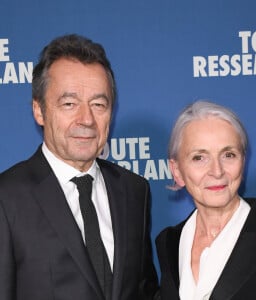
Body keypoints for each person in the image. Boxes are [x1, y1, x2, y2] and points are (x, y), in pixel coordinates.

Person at [0, 34, 159, 300]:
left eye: (98, 104)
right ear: (39, 111)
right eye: (69, 104)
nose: (86, 119)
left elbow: (144, 290)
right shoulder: (7, 198)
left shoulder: (134, 190)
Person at [155, 100, 256, 300]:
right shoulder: (169, 242)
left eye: (228, 155)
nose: (217, 171)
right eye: (199, 157)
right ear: (177, 171)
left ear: (243, 161)